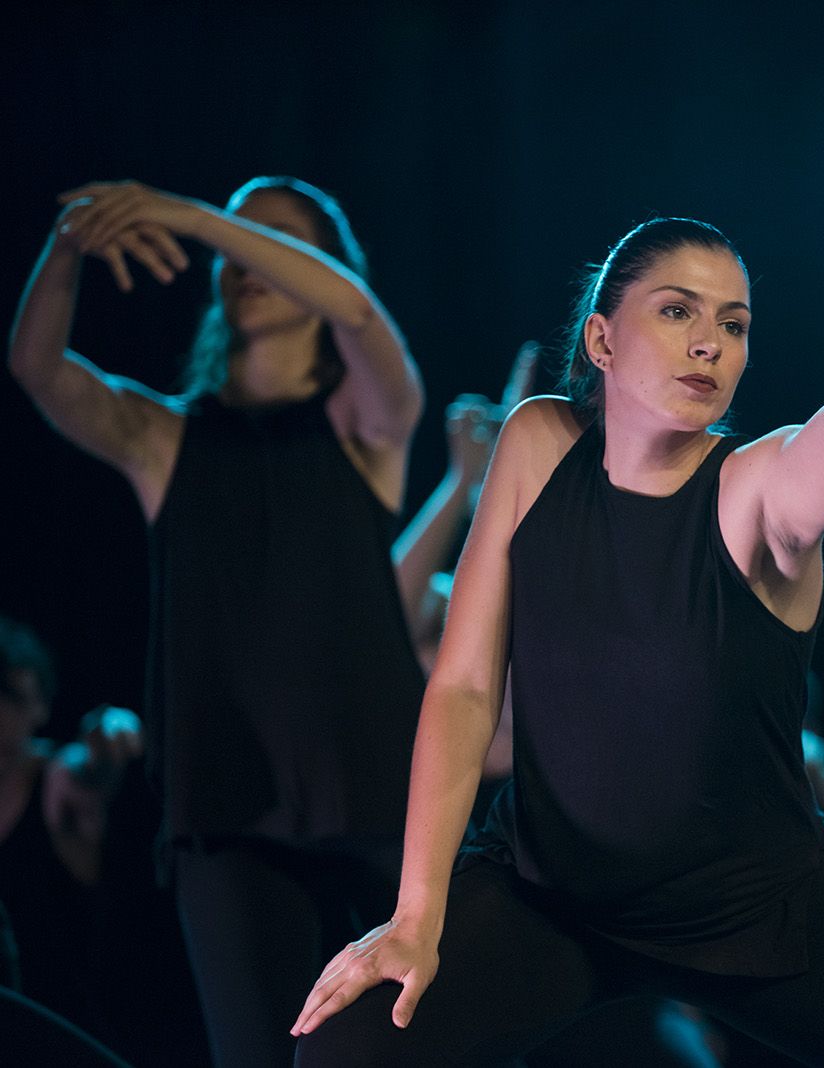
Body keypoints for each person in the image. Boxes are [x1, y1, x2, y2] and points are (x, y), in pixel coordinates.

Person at [291, 217, 824, 1066]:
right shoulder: (536, 442)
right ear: (602, 337)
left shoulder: (760, 491)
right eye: (678, 312)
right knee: (348, 1046)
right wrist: (416, 918)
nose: (709, 343)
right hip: (549, 895)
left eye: (733, 324)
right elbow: (464, 689)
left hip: (757, 907)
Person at [8, 177, 427, 1067]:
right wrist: (71, 244)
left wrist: (197, 219)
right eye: (232, 243)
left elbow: (355, 314)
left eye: (268, 241)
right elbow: (38, 369)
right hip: (227, 810)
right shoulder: (167, 437)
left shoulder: (364, 422)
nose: (241, 254)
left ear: (318, 267)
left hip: (386, 799)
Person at [0, 615, 142, 1040]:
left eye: (9, 695)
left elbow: (91, 768)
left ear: (40, 707)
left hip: (59, 1040)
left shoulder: (55, 777)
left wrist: (113, 734)